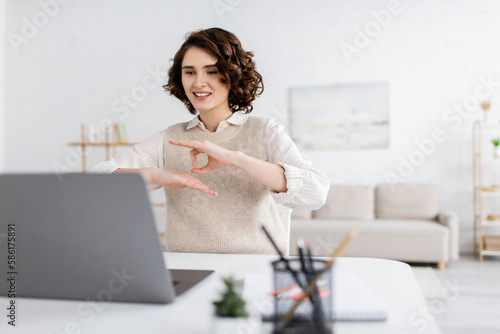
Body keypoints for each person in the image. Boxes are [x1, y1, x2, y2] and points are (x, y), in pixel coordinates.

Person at [93, 28, 329, 255]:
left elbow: (315, 194)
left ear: (231, 75)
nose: (198, 83)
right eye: (190, 72)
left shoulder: (265, 131)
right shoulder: (169, 138)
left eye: (212, 71)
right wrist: (157, 176)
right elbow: (95, 182)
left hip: (254, 266)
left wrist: (236, 159)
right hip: (186, 267)